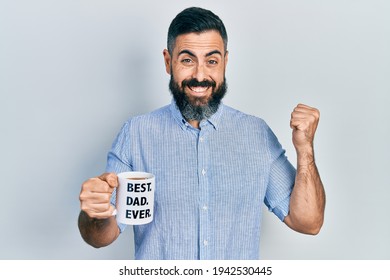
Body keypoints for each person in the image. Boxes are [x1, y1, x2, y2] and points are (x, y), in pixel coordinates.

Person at [78, 7, 325, 260]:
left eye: (211, 61)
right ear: (168, 61)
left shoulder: (257, 134)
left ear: (225, 62)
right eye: (187, 60)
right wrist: (96, 213)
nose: (199, 75)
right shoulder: (136, 134)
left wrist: (305, 149)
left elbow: (308, 223)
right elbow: (100, 237)